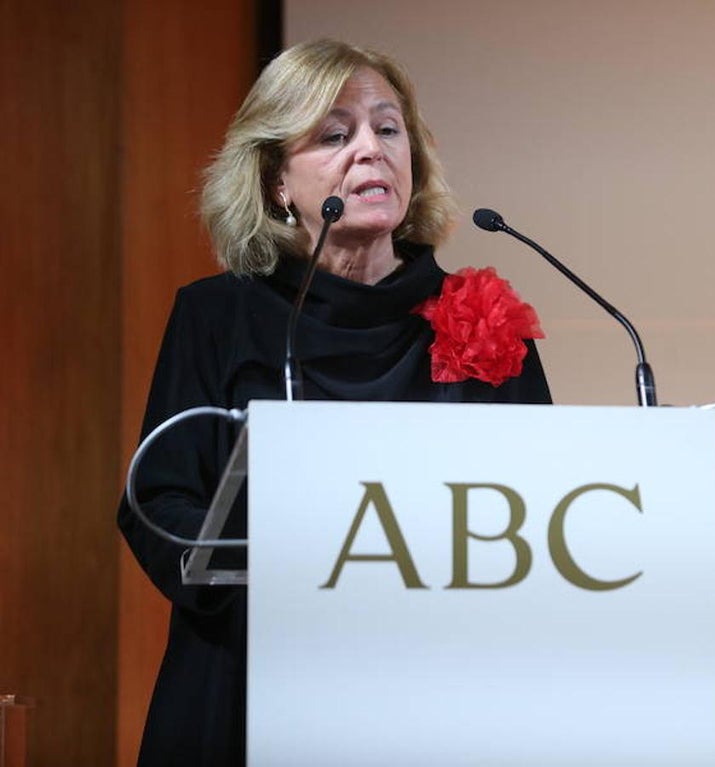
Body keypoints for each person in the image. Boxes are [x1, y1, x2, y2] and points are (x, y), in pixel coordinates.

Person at [118, 39, 550, 766]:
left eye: (388, 128)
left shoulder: (487, 317)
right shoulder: (218, 316)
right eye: (333, 134)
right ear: (278, 181)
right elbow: (157, 498)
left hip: (440, 693)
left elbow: (538, 512)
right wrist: (279, 570)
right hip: (249, 679)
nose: (371, 151)